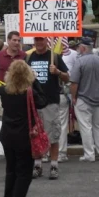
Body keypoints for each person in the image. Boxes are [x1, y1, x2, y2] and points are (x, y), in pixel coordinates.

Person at [0, 60, 47, 197]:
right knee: (24, 172)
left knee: (11, 170)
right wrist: (35, 81)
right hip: (24, 136)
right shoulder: (29, 92)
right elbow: (42, 102)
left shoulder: (4, 91)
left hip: (7, 135)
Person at [28, 36, 69, 180]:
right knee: (35, 136)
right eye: (36, 40)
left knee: (53, 136)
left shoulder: (55, 57)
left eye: (42, 40)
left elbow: (67, 77)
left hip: (51, 102)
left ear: (46, 41)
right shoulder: (29, 58)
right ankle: (38, 165)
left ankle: (53, 166)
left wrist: (57, 72)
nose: (39, 43)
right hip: (34, 103)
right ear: (34, 42)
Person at [70, 37, 99, 162]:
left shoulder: (80, 62)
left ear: (83, 48)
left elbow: (74, 82)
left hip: (83, 98)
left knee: (85, 127)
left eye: (79, 47)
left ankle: (89, 154)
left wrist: (73, 97)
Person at [0, 31, 26, 118]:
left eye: (19, 41)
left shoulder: (24, 56)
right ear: (8, 40)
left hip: (19, 95)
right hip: (2, 94)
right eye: (14, 40)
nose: (17, 43)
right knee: (2, 118)